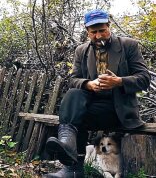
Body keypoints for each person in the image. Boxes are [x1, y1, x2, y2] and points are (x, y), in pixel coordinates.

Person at [43, 9, 150, 178]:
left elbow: (144, 79)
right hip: (93, 105)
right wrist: (88, 84)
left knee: (75, 119)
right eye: (93, 32)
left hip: (118, 109)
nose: (99, 36)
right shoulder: (81, 51)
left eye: (102, 30)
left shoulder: (128, 45)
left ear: (109, 26)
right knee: (73, 94)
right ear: (87, 32)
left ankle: (72, 168)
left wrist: (119, 81)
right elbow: (73, 79)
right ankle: (68, 149)